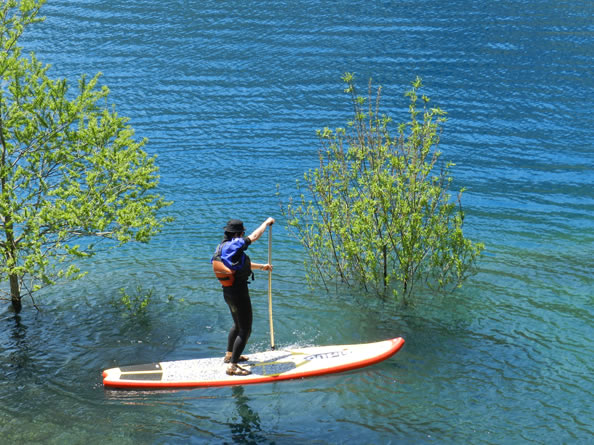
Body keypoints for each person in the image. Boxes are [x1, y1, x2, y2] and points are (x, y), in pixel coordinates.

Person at [211, 217, 274, 376]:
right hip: (239, 292)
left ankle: (229, 354)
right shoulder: (237, 243)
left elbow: (239, 265)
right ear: (239, 233)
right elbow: (254, 237)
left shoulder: (222, 247)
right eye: (242, 233)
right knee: (245, 329)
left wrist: (262, 267)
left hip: (228, 292)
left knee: (237, 325)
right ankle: (233, 366)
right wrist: (266, 223)